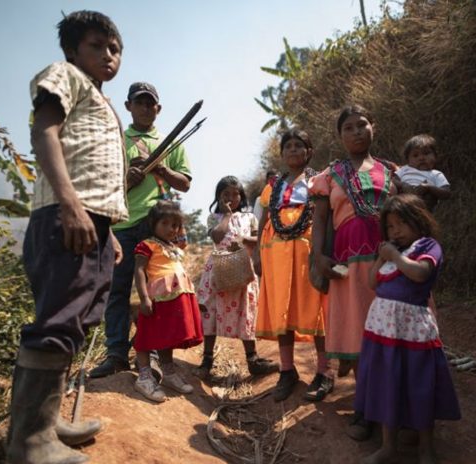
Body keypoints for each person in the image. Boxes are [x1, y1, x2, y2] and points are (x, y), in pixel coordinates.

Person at [6, 11, 126, 464]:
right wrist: (72, 205)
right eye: (98, 45)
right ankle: (30, 442)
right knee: (57, 321)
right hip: (66, 215)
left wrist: (107, 231)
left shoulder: (101, 102)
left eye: (115, 49)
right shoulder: (66, 77)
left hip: (92, 221)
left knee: (75, 320)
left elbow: (100, 172)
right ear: (73, 50)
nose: (109, 56)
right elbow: (45, 133)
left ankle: (47, 420)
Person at [89, 81, 192, 378]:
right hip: (121, 224)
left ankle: (156, 352)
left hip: (156, 228)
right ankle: (116, 354)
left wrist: (161, 168)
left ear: (158, 109)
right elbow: (103, 184)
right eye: (140, 102)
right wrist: (128, 178)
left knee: (158, 291)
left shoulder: (170, 142)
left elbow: (184, 182)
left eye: (151, 103)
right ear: (128, 106)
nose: (146, 108)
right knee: (117, 290)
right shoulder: (117, 141)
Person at [354, 195, 461, 464]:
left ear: (419, 221)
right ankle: (388, 447)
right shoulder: (390, 250)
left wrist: (396, 257)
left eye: (402, 223)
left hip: (413, 329)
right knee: (387, 381)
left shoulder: (428, 245)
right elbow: (372, 283)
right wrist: (381, 258)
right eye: (390, 226)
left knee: (418, 383)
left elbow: (421, 274)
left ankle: (426, 448)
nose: (396, 231)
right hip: (383, 329)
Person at [310, 106, 396, 369]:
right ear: (340, 136)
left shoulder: (392, 170)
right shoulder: (329, 175)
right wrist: (318, 257)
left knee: (391, 321)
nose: (356, 132)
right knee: (356, 323)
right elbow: (321, 219)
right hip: (347, 260)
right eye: (348, 128)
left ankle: (393, 395)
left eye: (362, 125)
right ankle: (365, 399)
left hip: (388, 256)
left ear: (373, 127)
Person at [253, 129, 331, 402]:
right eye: (289, 146)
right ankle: (287, 371)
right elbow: (264, 219)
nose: (294, 150)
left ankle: (324, 371)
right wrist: (256, 256)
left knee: (317, 308)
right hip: (275, 253)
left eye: (300, 145)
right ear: (282, 153)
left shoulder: (320, 180)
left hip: (308, 249)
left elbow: (325, 216)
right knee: (282, 307)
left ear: (309, 151)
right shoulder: (273, 185)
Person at [195, 176, 279, 378]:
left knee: (246, 312)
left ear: (241, 197)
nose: (231, 198)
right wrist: (226, 216)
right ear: (218, 197)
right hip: (217, 271)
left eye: (235, 194)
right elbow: (216, 237)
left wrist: (241, 241)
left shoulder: (249, 217)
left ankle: (253, 359)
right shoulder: (213, 217)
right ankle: (207, 360)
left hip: (243, 271)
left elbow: (257, 239)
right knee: (211, 312)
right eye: (226, 195)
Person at [132, 201, 203, 401]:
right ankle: (144, 377)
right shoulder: (147, 245)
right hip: (157, 297)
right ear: (153, 223)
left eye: (175, 225)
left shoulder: (173, 247)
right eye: (165, 224)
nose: (171, 229)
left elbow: (183, 238)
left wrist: (181, 226)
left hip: (176, 296)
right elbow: (138, 271)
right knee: (147, 335)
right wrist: (145, 297)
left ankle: (168, 372)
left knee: (167, 336)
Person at [395, 134, 450, 211]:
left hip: (424, 207)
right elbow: (393, 181)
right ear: (408, 160)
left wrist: (429, 187)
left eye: (426, 153)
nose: (421, 158)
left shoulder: (436, 174)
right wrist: (403, 185)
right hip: (403, 203)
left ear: (435, 156)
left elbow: (446, 193)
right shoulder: (404, 169)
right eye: (415, 155)